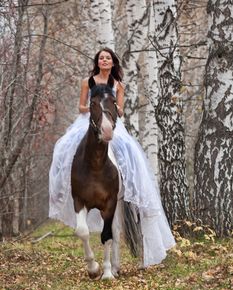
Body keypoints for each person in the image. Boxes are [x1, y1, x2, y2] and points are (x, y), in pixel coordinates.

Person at [49, 47, 176, 267]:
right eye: (101, 58)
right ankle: (63, 187)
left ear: (112, 62)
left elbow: (121, 111)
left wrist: (113, 107)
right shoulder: (87, 81)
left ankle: (130, 187)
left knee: (130, 153)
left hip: (111, 123)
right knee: (64, 149)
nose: (104, 60)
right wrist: (93, 108)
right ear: (97, 62)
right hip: (89, 121)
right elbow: (80, 106)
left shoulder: (118, 85)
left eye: (108, 58)